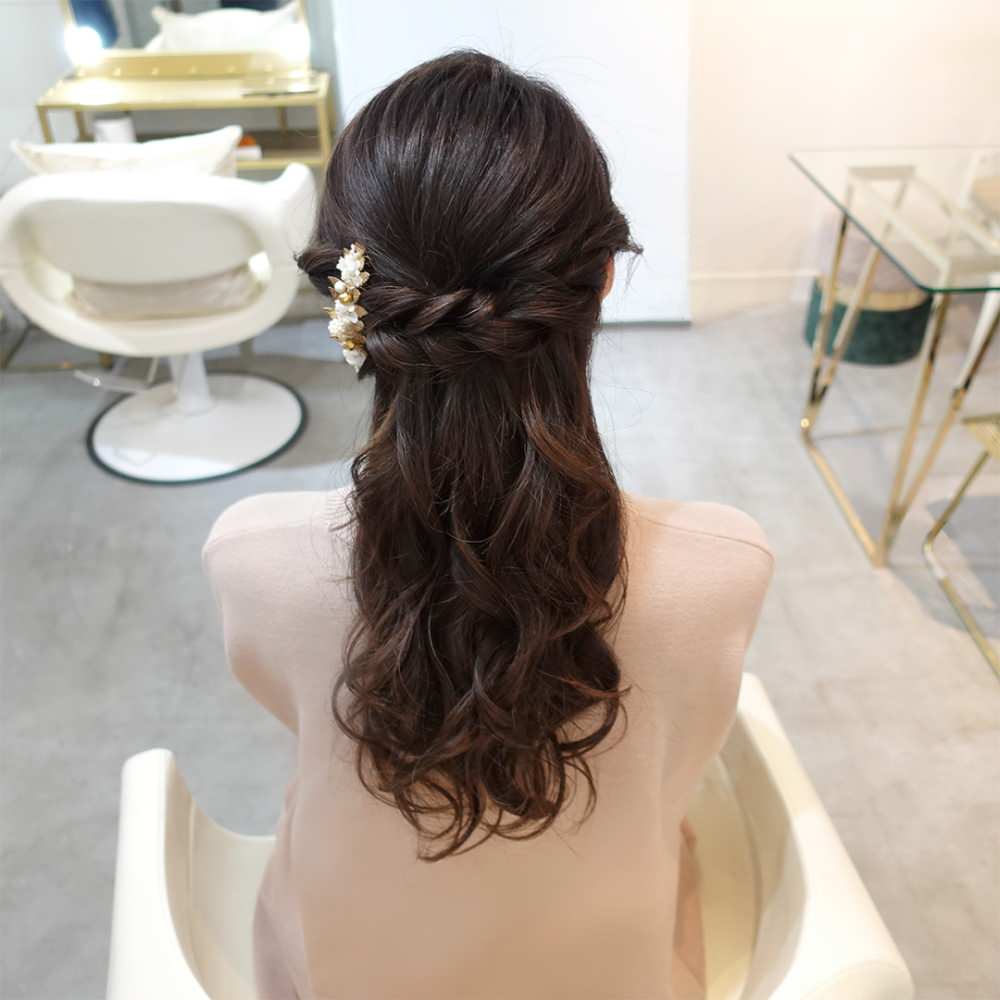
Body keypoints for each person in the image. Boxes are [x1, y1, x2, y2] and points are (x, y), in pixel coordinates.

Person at [203, 50, 773, 1000]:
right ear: (602, 280)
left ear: (350, 299)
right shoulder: (723, 567)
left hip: (339, 971)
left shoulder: (250, 557)